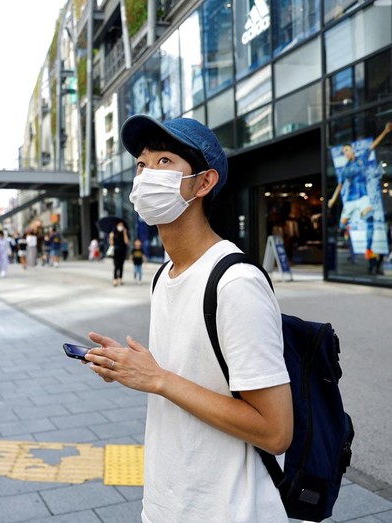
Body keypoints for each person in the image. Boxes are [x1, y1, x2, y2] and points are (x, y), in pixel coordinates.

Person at [83, 115, 293, 522]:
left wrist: (158, 379)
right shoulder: (165, 275)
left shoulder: (236, 283)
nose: (145, 176)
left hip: (230, 509)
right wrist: (133, 369)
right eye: (141, 164)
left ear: (204, 183)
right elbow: (187, 380)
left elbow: (275, 430)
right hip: (169, 502)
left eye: (164, 162)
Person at [328, 122, 392, 261]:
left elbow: (373, 145)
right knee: (342, 224)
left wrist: (385, 131)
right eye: (344, 151)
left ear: (352, 150)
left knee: (369, 218)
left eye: (347, 150)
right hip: (350, 200)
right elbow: (340, 185)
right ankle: (348, 229)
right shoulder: (344, 169)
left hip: (363, 196)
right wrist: (333, 199)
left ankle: (368, 249)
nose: (346, 153)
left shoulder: (362, 159)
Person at [109, 221, 129, 286]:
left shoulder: (125, 233)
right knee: (116, 265)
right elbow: (111, 244)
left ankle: (120, 278)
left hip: (123, 251)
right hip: (116, 251)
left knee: (121, 265)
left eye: (122, 225)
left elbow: (126, 242)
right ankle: (115, 279)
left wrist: (125, 233)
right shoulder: (113, 233)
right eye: (119, 225)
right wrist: (111, 237)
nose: (120, 226)